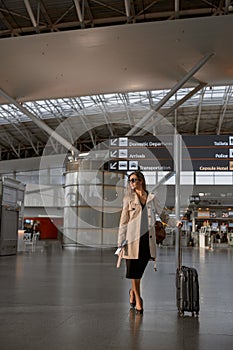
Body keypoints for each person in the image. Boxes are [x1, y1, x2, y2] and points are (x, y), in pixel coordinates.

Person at [117, 170, 177, 315]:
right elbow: (123, 222)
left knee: (139, 271)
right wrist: (120, 243)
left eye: (133, 180)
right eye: (130, 181)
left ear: (141, 181)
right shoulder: (128, 199)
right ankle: (138, 299)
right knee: (133, 272)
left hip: (146, 239)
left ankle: (132, 291)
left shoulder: (151, 198)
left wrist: (176, 222)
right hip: (131, 240)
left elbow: (163, 214)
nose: (131, 183)